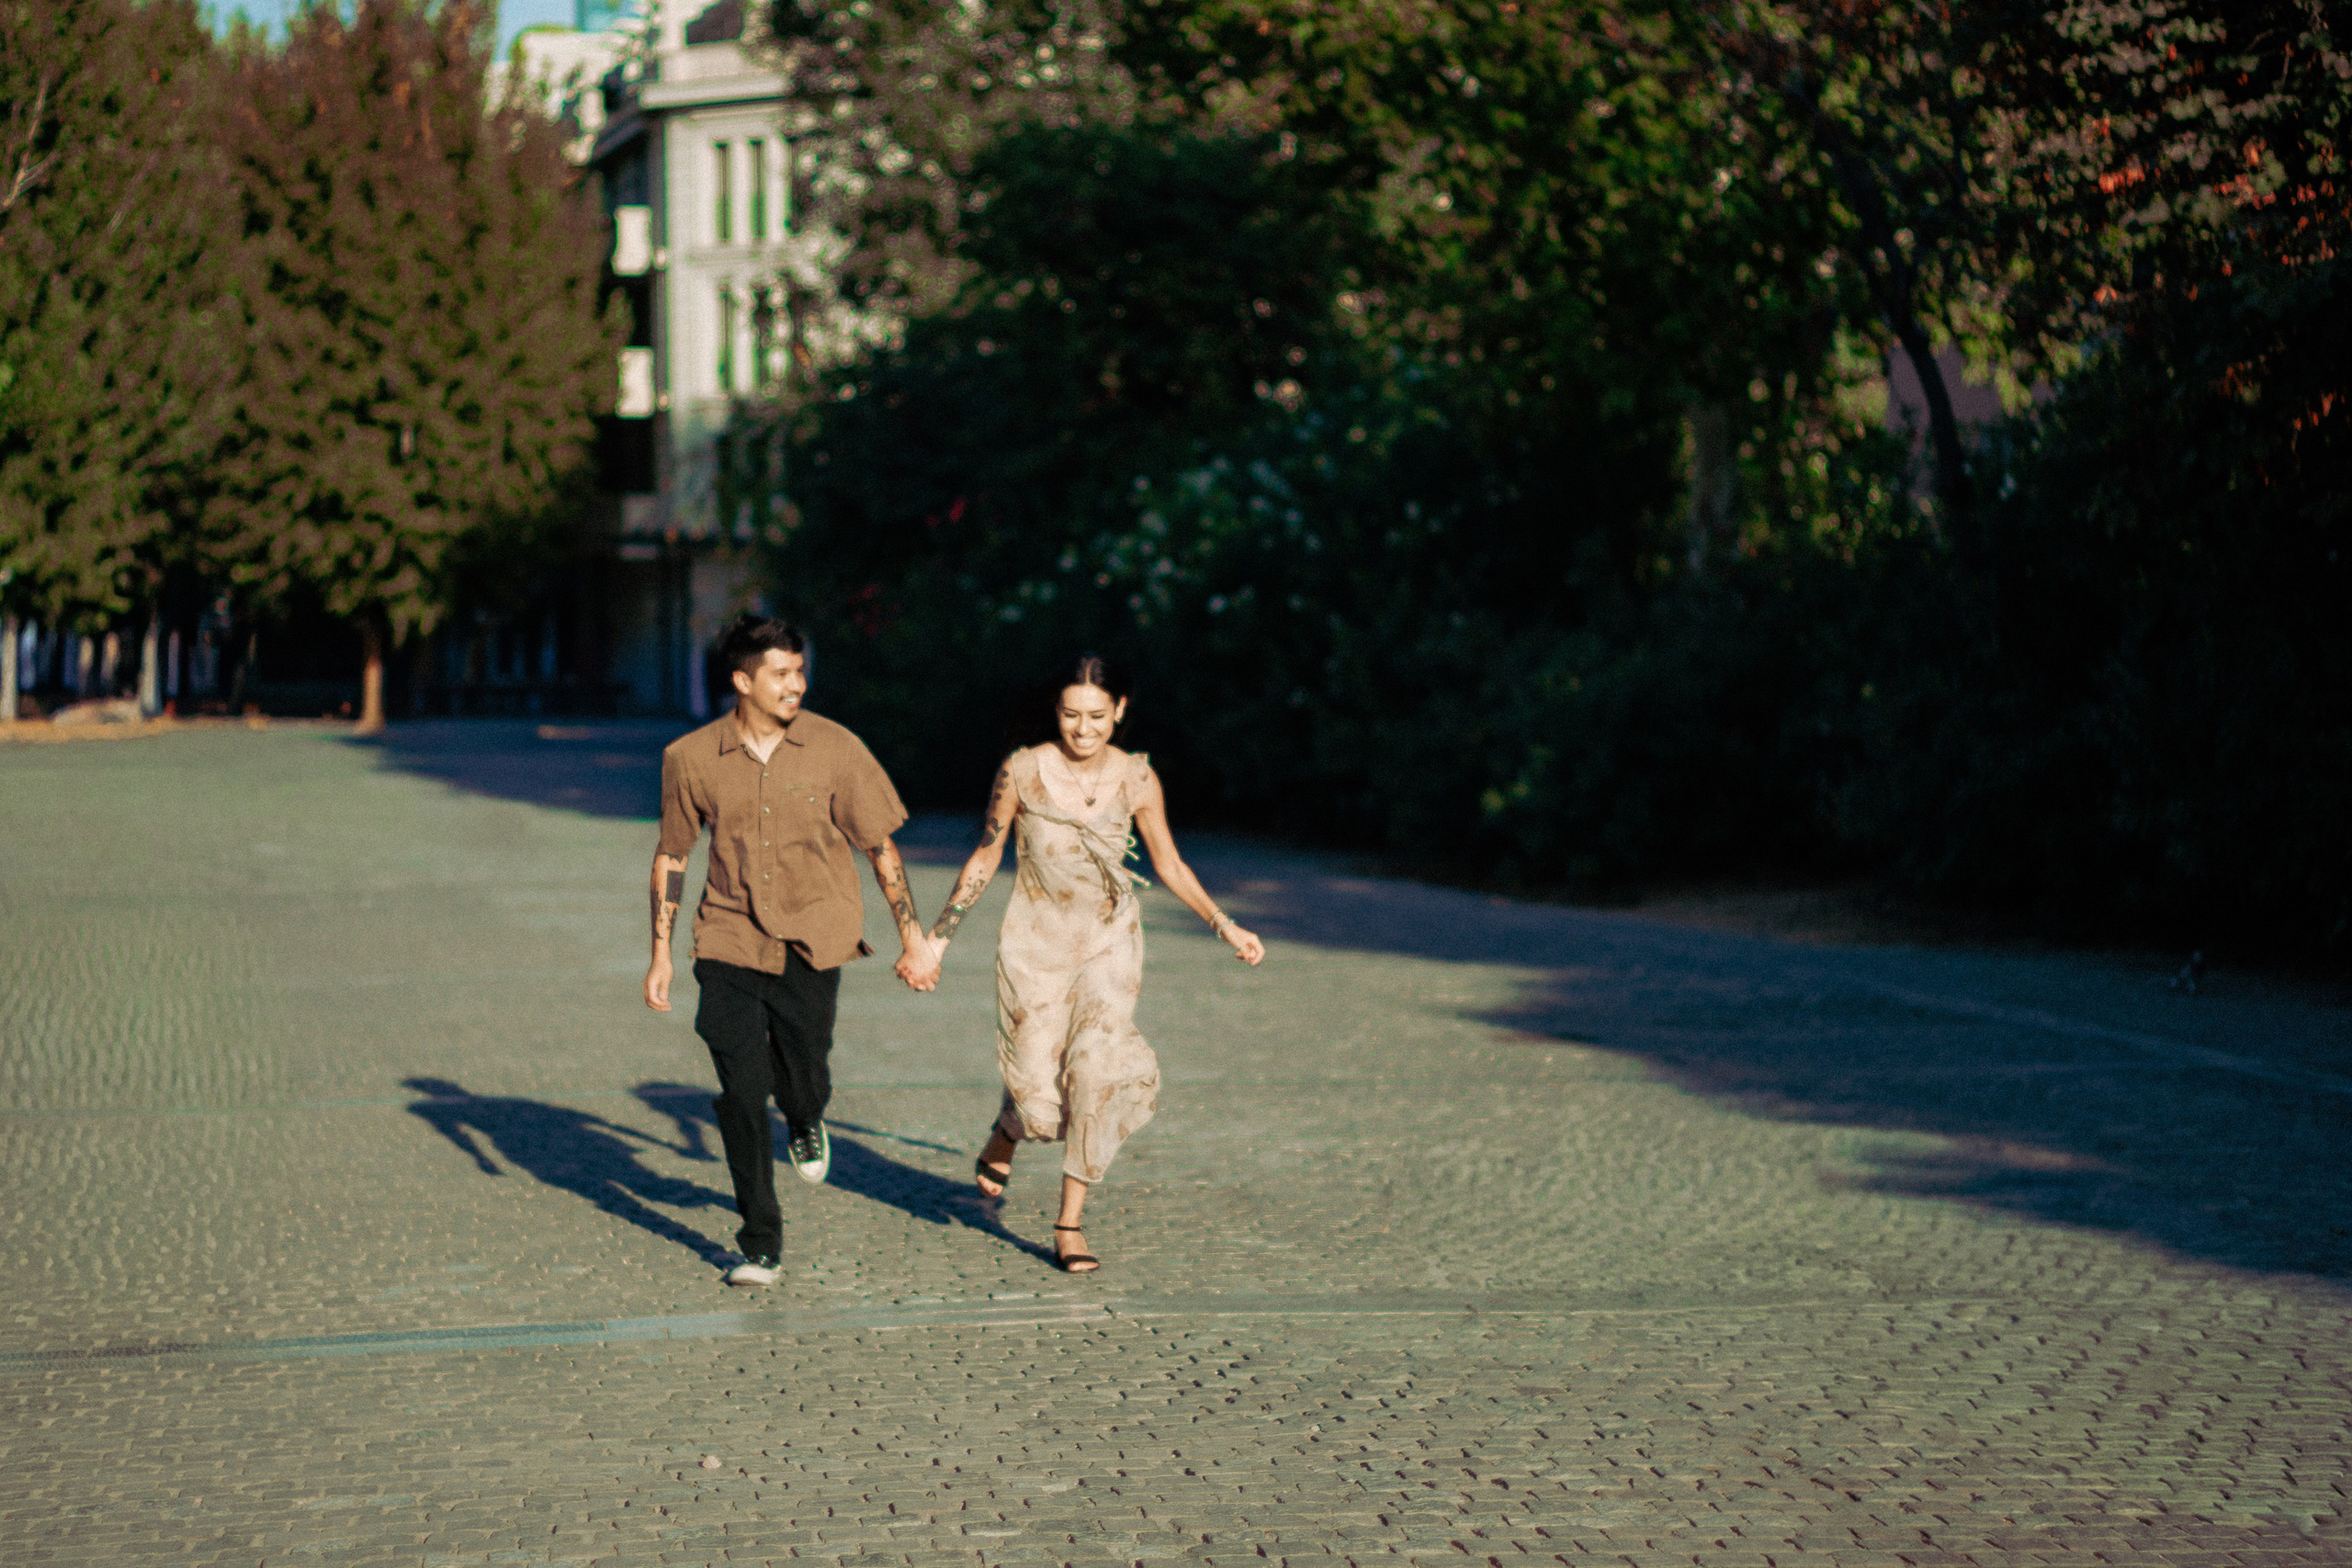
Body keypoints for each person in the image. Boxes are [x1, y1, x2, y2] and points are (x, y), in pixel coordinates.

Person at [899, 655, 1264, 1273]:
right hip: (1035, 946)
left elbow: (1169, 863)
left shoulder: (1138, 778)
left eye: (1097, 715)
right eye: (1071, 714)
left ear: (1120, 710)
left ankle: (1069, 1222)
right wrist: (937, 939)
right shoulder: (1022, 769)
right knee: (1044, 1107)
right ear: (1056, 712)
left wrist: (1224, 924)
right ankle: (1010, 1127)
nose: (1083, 728)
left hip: (1108, 944)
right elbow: (986, 857)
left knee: (1094, 1069)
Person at [644, 614, 929, 1287]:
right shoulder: (689, 758)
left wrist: (911, 934)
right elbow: (673, 853)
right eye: (781, 673)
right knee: (740, 1089)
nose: (795, 684)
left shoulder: (836, 748)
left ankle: (805, 1117)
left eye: (800, 671)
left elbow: (878, 844)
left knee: (804, 1075)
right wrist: (661, 950)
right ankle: (760, 1240)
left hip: (814, 935)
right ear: (742, 680)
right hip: (728, 936)